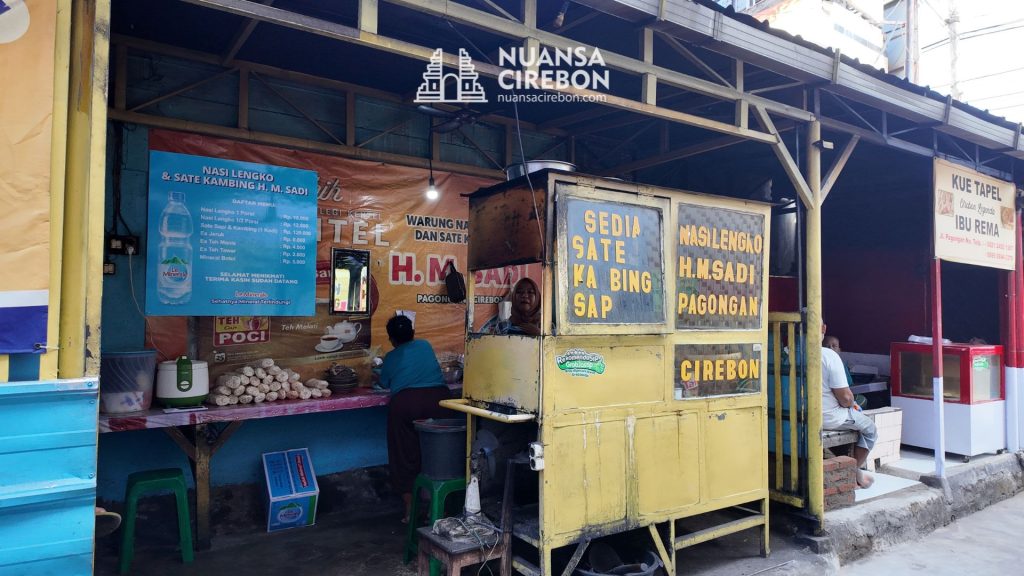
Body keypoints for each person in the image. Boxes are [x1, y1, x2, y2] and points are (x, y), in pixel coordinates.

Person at [378, 314, 453, 523]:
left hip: (406, 404)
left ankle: (411, 508)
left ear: (391, 339)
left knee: (404, 454)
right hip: (439, 401)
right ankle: (438, 508)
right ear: (413, 333)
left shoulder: (391, 357)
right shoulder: (424, 345)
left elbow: (384, 383)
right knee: (439, 454)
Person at [821, 322, 877, 489]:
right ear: (823, 328)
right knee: (870, 429)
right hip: (829, 418)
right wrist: (852, 404)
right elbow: (846, 398)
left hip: (798, 416)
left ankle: (853, 470)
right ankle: (853, 472)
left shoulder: (789, 352)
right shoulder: (829, 356)